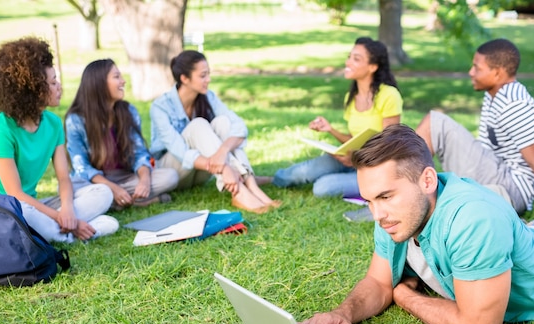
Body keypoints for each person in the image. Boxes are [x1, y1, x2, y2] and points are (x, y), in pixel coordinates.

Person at [299, 124, 534, 324]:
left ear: (427, 180)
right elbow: (378, 281)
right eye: (370, 200)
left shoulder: (474, 218)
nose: (377, 214)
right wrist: (342, 314)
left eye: (386, 196)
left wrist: (405, 296)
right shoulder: (393, 214)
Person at [0, 37, 118, 243]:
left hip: (32, 205)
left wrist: (67, 209)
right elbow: (15, 194)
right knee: (26, 212)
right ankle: (73, 233)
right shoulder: (0, 129)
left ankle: (57, 230)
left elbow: (63, 178)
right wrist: (61, 217)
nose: (58, 86)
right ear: (31, 90)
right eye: (52, 82)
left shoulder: (53, 123)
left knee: (103, 192)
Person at [415, 38, 534, 215]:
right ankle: (402, 192)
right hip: (497, 174)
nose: (471, 72)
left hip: (511, 189)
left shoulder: (514, 106)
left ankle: (402, 190)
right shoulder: (495, 94)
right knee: (435, 126)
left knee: (435, 123)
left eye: (477, 68)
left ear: (497, 73)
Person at [149, 50, 278, 214]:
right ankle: (239, 192)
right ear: (184, 79)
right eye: (202, 76)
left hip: (202, 173)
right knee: (198, 125)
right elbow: (180, 151)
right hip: (174, 171)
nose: (208, 80)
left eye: (208, 74)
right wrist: (224, 168)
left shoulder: (208, 97)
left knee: (223, 123)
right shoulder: (160, 107)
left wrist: (223, 152)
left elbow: (239, 126)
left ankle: (251, 184)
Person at [272, 37, 403, 198]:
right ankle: (262, 180)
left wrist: (355, 158)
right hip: (352, 160)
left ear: (372, 67)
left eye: (356, 59)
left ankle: (362, 185)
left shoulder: (389, 95)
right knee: (298, 173)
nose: (348, 62)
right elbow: (354, 139)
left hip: (375, 169)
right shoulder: (351, 96)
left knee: (322, 187)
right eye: (349, 57)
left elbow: (390, 145)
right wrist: (330, 130)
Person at [66, 59, 178, 210]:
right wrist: (113, 188)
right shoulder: (76, 120)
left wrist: (144, 181)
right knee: (73, 187)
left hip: (126, 177)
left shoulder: (128, 111)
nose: (123, 81)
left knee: (170, 177)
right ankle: (135, 201)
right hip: (96, 182)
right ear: (99, 83)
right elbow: (82, 168)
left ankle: (117, 202)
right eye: (117, 77)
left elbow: (139, 153)